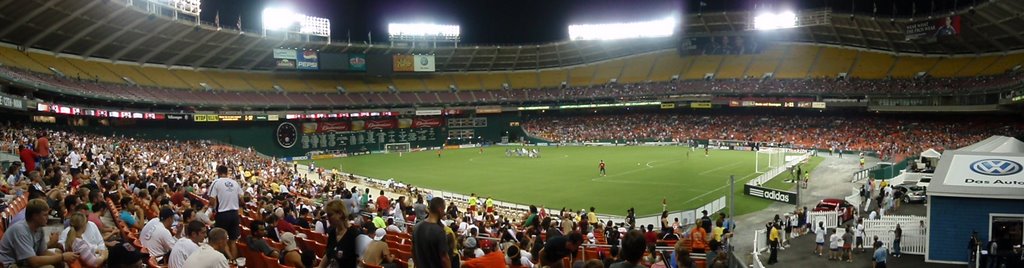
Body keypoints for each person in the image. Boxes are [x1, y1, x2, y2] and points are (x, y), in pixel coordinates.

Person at [0, 199, 79, 267]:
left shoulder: (39, 228)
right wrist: (62, 257)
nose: (47, 218)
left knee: (59, 259)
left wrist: (63, 259)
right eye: (45, 215)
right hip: (9, 264)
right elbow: (33, 262)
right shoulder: (20, 230)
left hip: (22, 261)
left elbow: (42, 252)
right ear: (35, 216)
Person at [209, 165, 241, 260]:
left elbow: (211, 200)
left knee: (221, 240)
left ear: (218, 172)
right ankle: (234, 262)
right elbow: (242, 197)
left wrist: (213, 209)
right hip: (235, 214)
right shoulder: (235, 183)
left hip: (223, 214)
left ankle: (227, 261)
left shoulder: (216, 182)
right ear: (227, 172)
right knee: (233, 241)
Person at [319, 199, 362, 268]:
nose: (328, 218)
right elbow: (328, 254)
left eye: (330, 215)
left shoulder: (354, 235)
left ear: (340, 214)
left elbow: (359, 262)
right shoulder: (332, 232)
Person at [412, 197, 451, 268]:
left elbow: (413, 252)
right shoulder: (439, 231)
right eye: (443, 209)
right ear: (440, 209)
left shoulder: (416, 227)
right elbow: (444, 258)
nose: (444, 213)